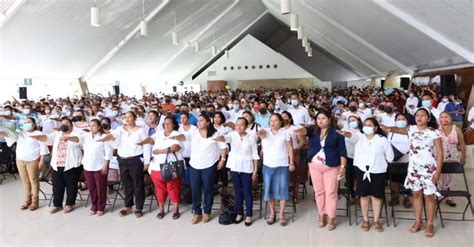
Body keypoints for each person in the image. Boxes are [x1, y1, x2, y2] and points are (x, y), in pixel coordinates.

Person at [381, 108, 443, 238]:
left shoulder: (434, 132)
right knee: (416, 195)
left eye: (423, 115)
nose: (419, 117)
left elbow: (440, 153)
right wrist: (385, 127)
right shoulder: (411, 129)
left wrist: (437, 172)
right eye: (417, 115)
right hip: (414, 169)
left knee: (429, 197)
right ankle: (418, 221)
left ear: (429, 118)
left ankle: (430, 223)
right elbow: (397, 129)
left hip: (429, 170)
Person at [338, 118, 394, 232]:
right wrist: (345, 133)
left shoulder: (382, 140)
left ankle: (376, 220)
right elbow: (351, 136)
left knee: (376, 197)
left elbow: (390, 157)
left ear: (376, 128)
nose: (367, 127)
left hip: (378, 172)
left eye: (370, 125)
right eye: (365, 125)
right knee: (364, 196)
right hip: (361, 170)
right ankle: (365, 219)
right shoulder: (359, 136)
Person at [296, 109, 347, 230]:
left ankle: (331, 217)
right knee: (319, 192)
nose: (320, 121)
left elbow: (342, 151)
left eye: (323, 118)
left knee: (331, 193)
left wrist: (343, 167)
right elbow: (304, 131)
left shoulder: (337, 133)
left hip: (331, 166)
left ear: (329, 119)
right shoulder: (313, 131)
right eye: (318, 118)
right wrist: (300, 129)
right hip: (315, 166)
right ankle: (321, 214)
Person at [99, 111, 151, 218]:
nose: (127, 119)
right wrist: (109, 137)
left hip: (135, 160)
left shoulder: (140, 130)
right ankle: (128, 206)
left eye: (130, 117)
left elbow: (146, 145)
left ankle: (139, 207)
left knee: (138, 184)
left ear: (134, 118)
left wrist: (146, 162)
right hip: (122, 160)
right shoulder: (120, 129)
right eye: (125, 117)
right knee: (127, 184)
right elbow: (114, 140)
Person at [180, 114, 228, 224]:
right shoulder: (194, 132)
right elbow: (184, 137)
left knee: (208, 188)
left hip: (209, 166)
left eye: (201, 121)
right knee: (195, 189)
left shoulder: (215, 134)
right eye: (198, 121)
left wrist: (222, 160)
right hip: (194, 165)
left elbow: (224, 147)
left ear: (207, 122)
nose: (199, 122)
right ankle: (197, 212)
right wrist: (176, 137)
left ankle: (207, 211)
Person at [31, 117, 84, 214]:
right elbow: (47, 138)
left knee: (71, 186)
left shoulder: (77, 133)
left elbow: (78, 140)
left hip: (72, 165)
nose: (64, 126)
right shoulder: (57, 134)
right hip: (56, 164)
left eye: (67, 124)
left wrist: (68, 137)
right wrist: (36, 137)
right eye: (63, 124)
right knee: (57, 186)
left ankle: (69, 204)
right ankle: (57, 205)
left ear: (71, 125)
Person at [215, 117, 259, 226]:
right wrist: (218, 138)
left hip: (247, 167)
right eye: (237, 124)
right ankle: (239, 213)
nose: (239, 127)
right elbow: (225, 138)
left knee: (247, 192)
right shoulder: (232, 135)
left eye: (241, 125)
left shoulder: (251, 138)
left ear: (247, 126)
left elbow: (255, 155)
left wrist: (255, 170)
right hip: (235, 167)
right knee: (237, 191)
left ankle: (249, 215)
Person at [0, 117, 48, 211]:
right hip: (20, 159)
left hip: (33, 160)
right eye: (25, 122)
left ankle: (35, 201)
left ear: (34, 124)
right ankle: (27, 201)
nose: (26, 124)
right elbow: (8, 134)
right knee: (25, 181)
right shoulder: (20, 132)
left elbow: (43, 148)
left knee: (33, 181)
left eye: (28, 122)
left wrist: (41, 160)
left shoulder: (38, 133)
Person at [257, 113, 295, 226]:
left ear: (281, 122)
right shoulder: (265, 131)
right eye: (271, 121)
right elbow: (261, 134)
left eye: (276, 121)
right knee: (269, 190)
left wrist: (291, 162)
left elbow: (290, 148)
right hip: (268, 165)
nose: (273, 123)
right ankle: (272, 213)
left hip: (282, 165)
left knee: (283, 189)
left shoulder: (285, 133)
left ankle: (282, 214)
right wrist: (260, 133)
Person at [145, 116, 184, 220]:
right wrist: (144, 141)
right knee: (159, 189)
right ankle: (161, 209)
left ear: (174, 125)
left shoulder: (177, 135)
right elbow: (150, 139)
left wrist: (160, 151)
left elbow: (176, 147)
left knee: (174, 188)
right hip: (156, 167)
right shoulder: (158, 134)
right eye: (165, 123)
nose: (166, 125)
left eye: (169, 123)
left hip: (172, 166)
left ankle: (176, 209)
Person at [80, 119, 112, 216]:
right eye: (90, 125)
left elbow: (108, 152)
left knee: (100, 187)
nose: (91, 127)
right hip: (88, 165)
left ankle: (101, 206)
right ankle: (94, 205)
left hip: (100, 166)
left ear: (99, 127)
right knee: (91, 187)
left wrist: (106, 164)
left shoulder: (104, 137)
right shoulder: (86, 136)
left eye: (94, 125)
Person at [437, 111, 466, 207]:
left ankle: (449, 197)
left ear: (450, 119)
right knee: (439, 176)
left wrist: (463, 156)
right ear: (439, 119)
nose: (444, 119)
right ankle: (438, 195)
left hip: (453, 156)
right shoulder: (435, 129)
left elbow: (462, 143)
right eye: (442, 117)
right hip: (439, 157)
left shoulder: (456, 129)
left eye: (446, 117)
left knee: (450, 177)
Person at [387, 113, 412, 208]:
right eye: (398, 119)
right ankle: (395, 197)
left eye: (403, 119)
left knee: (406, 179)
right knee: (393, 179)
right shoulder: (391, 131)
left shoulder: (410, 131)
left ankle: (407, 198)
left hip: (407, 159)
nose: (401, 121)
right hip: (394, 159)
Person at [281, 111, 305, 202]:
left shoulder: (295, 129)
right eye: (282, 117)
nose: (283, 119)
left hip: (294, 153)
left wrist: (296, 149)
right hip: (282, 154)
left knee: (294, 175)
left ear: (290, 119)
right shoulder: (279, 129)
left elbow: (302, 142)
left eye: (285, 117)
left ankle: (295, 195)